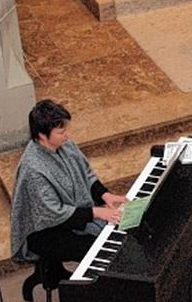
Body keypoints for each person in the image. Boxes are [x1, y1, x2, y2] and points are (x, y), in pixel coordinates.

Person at [10, 99, 128, 283]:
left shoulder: (65, 145)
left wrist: (105, 194)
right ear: (42, 135)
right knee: (102, 251)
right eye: (61, 131)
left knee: (121, 236)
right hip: (45, 231)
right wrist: (97, 212)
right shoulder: (33, 170)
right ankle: (101, 291)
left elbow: (85, 174)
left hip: (69, 219)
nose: (67, 135)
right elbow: (52, 213)